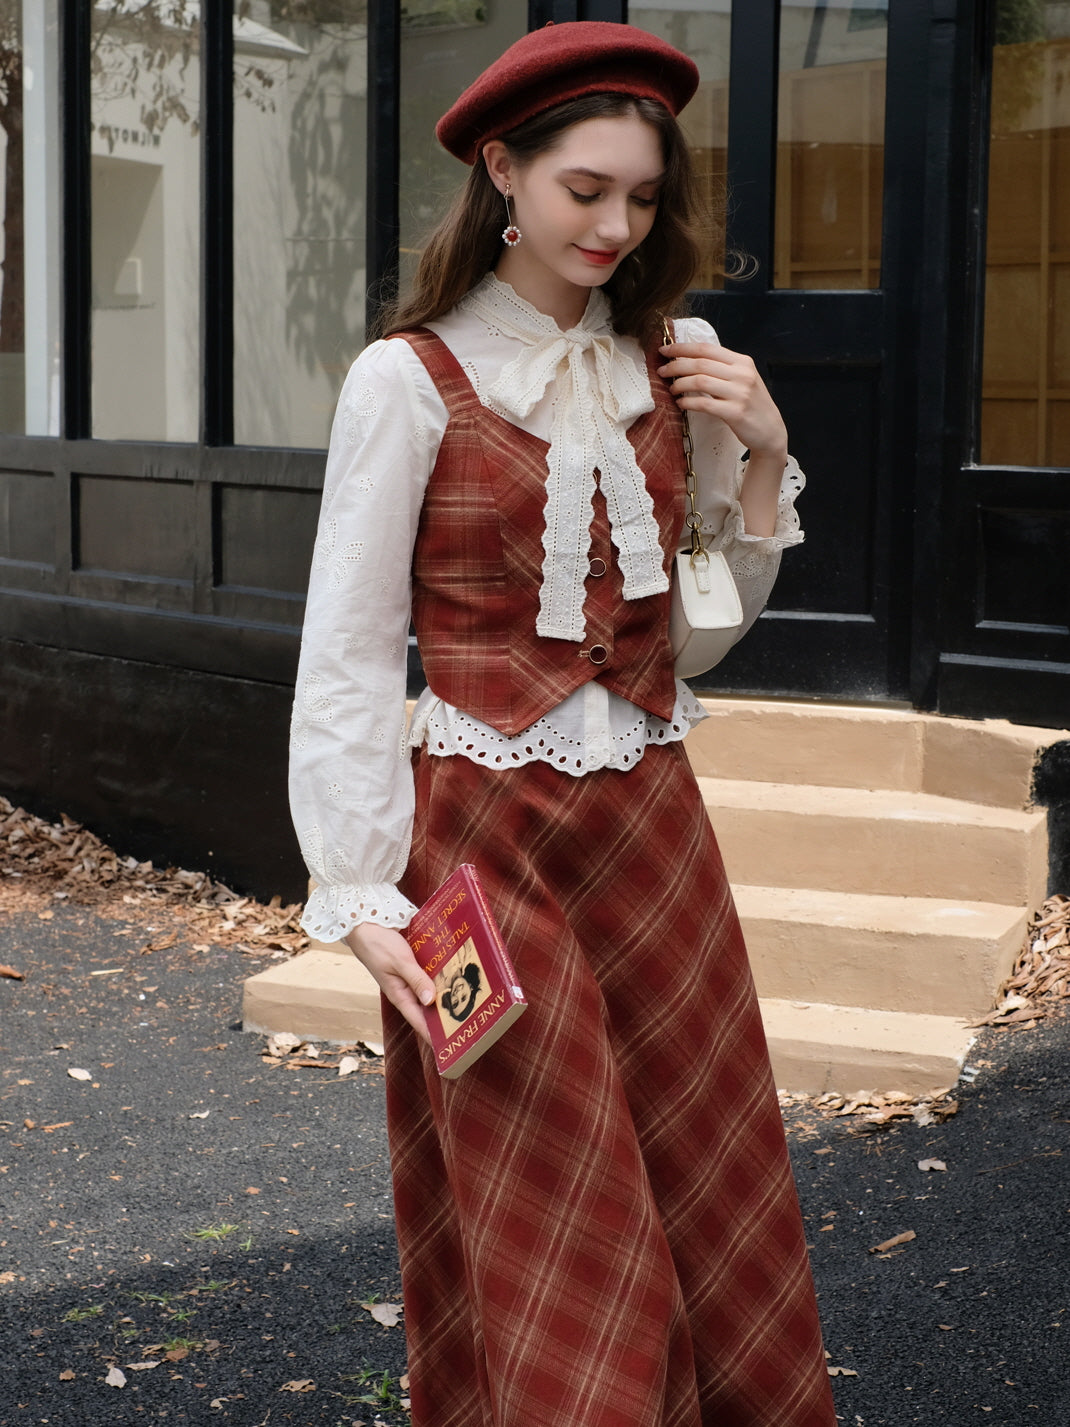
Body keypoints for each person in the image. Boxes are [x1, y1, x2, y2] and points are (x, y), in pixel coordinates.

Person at [289, 20, 836, 1427]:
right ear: (501, 171)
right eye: (583, 188)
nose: (614, 223)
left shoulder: (682, 360)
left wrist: (762, 457)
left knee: (704, 1168)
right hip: (481, 844)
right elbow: (347, 652)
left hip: (653, 836)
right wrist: (356, 889)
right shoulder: (405, 380)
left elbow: (694, 636)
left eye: (641, 198)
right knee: (554, 1202)